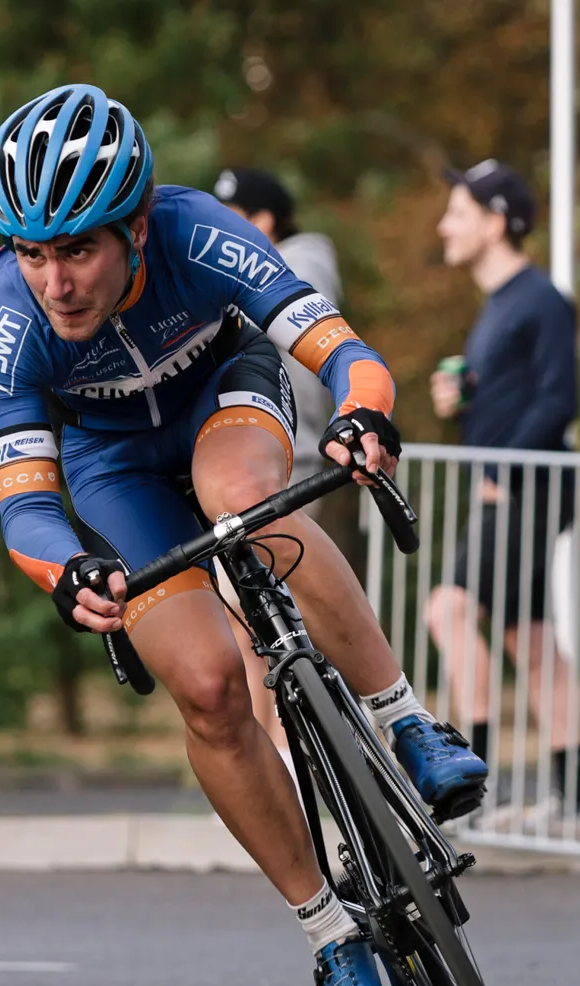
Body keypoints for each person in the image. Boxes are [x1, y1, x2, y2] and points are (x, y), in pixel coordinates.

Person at [0, 86, 487, 986]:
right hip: (113, 466)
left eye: (77, 249)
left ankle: (403, 719)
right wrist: (68, 572)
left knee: (244, 511)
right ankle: (331, 939)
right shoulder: (2, 320)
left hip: (223, 395)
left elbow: (346, 355)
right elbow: (27, 509)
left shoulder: (199, 234)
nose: (55, 281)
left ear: (133, 230)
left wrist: (363, 414)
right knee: (207, 691)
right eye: (31, 254)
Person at [424, 159, 580, 823]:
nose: (444, 225)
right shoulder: (498, 306)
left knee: (449, 612)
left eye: (458, 213)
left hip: (528, 489)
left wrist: (501, 471)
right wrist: (461, 402)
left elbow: (559, 401)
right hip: (513, 487)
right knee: (530, 637)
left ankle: (472, 789)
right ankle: (572, 793)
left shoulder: (541, 299)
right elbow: (512, 398)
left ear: (496, 224)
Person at [212, 167, 342, 760]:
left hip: (288, 465)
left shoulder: (296, 270)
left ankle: (295, 760)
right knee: (245, 626)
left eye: (231, 215)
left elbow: (300, 376)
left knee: (276, 625)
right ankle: (272, 759)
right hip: (255, 467)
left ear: (261, 222)